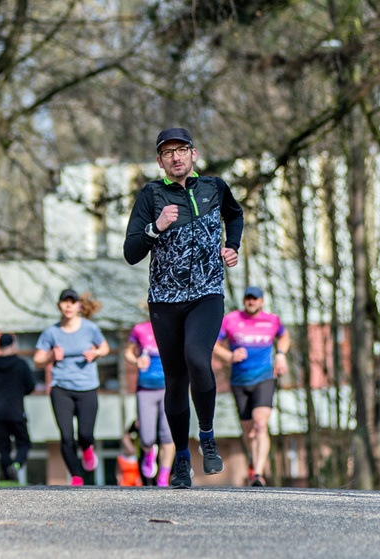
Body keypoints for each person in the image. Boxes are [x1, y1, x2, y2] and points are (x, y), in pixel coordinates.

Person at [123, 127, 244, 488]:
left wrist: (232, 245)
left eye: (182, 150)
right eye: (168, 152)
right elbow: (131, 252)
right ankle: (180, 457)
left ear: (194, 154)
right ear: (159, 161)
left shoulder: (215, 188)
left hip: (207, 293)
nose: (176, 157)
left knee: (197, 356)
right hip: (164, 300)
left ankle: (206, 437)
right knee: (175, 379)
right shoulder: (151, 195)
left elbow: (234, 216)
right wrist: (155, 228)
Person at [214, 286, 290, 487]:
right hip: (239, 381)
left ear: (262, 301)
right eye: (248, 298)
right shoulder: (231, 320)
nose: (251, 302)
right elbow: (213, 344)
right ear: (243, 300)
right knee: (248, 432)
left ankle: (258, 473)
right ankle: (252, 458)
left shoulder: (272, 320)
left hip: (264, 378)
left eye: (255, 299)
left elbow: (284, 336)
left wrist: (281, 355)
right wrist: (229, 356)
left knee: (260, 424)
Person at [33, 289, 110, 486]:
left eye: (72, 302)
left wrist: (96, 354)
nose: (68, 305)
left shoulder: (90, 328)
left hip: (87, 387)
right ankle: (77, 476)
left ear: (78, 306)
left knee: (85, 434)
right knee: (67, 436)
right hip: (61, 388)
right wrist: (51, 356)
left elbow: (105, 347)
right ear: (60, 306)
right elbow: (37, 360)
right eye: (65, 302)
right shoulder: (51, 332)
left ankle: (87, 448)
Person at [123, 320, 175, 486]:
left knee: (168, 436)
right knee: (146, 438)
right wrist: (136, 360)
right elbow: (128, 352)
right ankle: (149, 454)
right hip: (145, 389)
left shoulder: (174, 326)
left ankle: (163, 478)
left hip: (169, 388)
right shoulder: (140, 329)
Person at [0, 333, 36, 482]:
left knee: (3, 447)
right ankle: (17, 464)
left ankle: (8, 474)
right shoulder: (21, 364)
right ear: (13, 345)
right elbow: (30, 386)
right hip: (16, 412)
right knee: (24, 443)